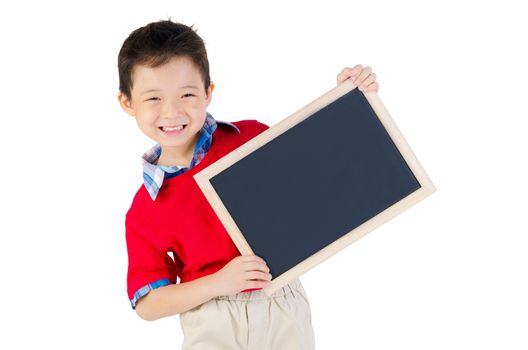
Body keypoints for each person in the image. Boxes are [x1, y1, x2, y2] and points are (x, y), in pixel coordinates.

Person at [117, 19, 379, 350]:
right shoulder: (145, 209)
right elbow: (148, 303)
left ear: (208, 92)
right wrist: (218, 283)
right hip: (212, 318)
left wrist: (346, 97)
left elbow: (318, 170)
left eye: (187, 94)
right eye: (153, 98)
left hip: (281, 302)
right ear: (127, 103)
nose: (171, 112)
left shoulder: (249, 138)